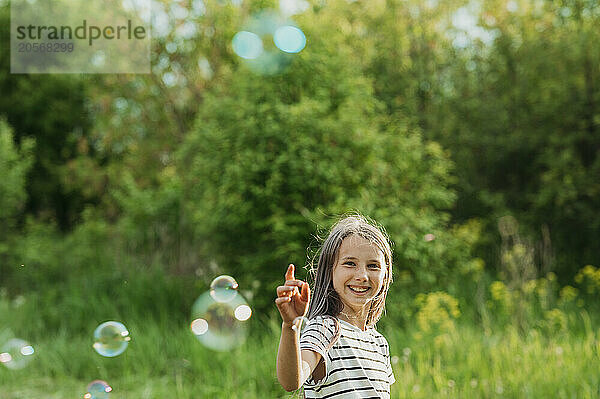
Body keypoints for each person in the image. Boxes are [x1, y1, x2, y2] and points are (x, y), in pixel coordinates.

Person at [275, 213, 395, 398]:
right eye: (350, 263)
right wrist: (290, 326)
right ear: (330, 271)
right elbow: (292, 381)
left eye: (373, 266)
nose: (362, 275)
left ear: (385, 275)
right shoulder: (325, 329)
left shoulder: (379, 343)